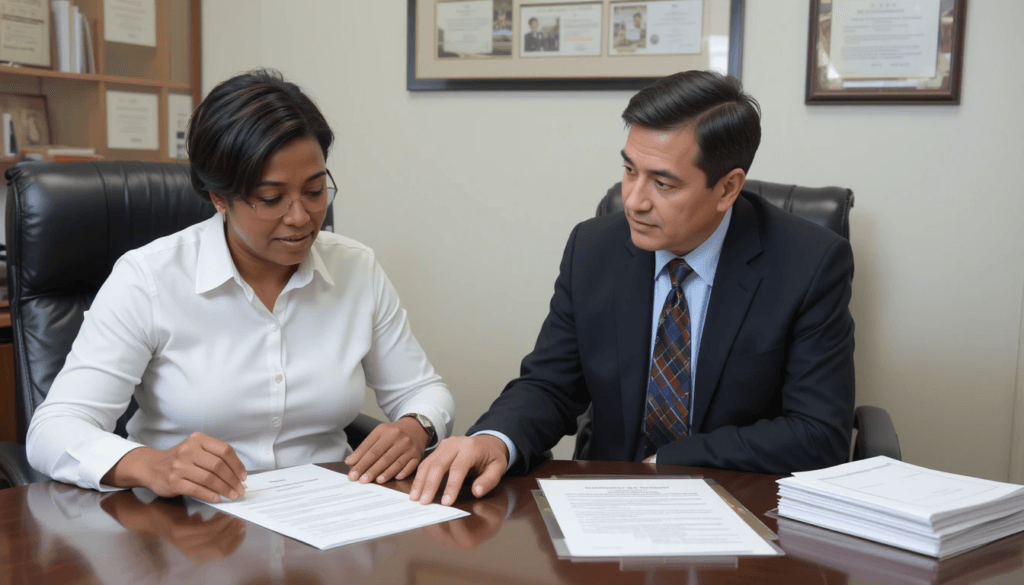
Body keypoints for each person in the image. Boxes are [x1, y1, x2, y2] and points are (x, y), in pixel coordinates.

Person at [411, 70, 855, 506]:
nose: (634, 200)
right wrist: (495, 438)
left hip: (740, 507)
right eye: (629, 170)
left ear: (727, 188)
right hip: (608, 505)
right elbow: (550, 384)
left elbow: (818, 433)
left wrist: (672, 460)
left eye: (663, 183)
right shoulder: (594, 248)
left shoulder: (809, 264)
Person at [26, 69, 455, 504]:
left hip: (329, 517)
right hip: (189, 528)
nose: (302, 217)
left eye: (314, 190)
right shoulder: (149, 279)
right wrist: (152, 465)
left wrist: (416, 426)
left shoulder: (355, 269)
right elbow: (53, 428)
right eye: (271, 198)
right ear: (218, 197)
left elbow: (424, 390)